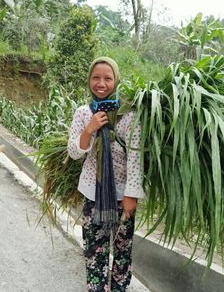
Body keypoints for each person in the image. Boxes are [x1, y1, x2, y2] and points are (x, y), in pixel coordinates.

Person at [67, 57, 144, 291]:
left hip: (123, 195)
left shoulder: (129, 114)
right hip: (93, 193)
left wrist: (132, 195)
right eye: (96, 78)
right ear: (89, 80)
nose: (101, 83)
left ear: (116, 80)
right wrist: (89, 129)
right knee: (94, 248)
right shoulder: (83, 113)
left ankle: (119, 288)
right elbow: (73, 153)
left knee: (122, 249)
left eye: (108, 78)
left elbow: (136, 156)